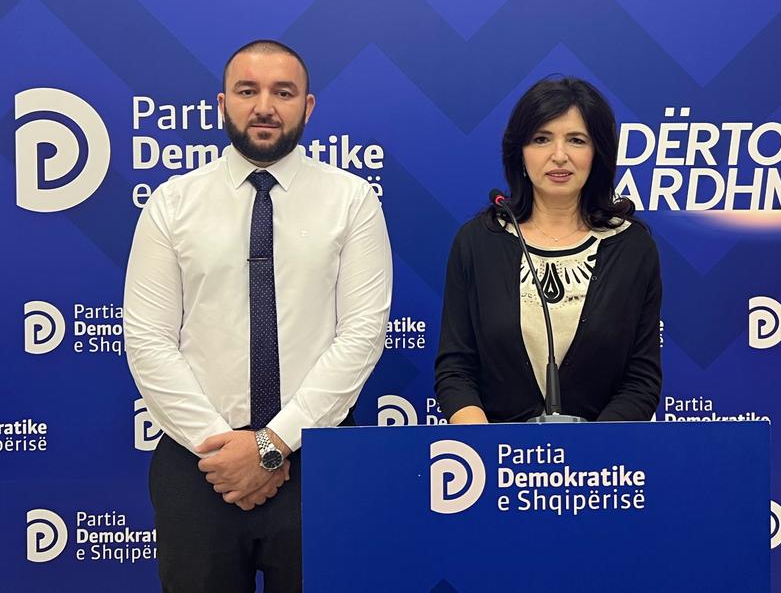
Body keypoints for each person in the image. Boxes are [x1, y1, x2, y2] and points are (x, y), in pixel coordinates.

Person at [124, 39, 392, 592]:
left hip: (316, 460)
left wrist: (272, 444)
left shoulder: (352, 200)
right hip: (200, 465)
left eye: (283, 93)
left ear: (308, 107)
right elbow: (148, 340)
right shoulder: (172, 203)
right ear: (222, 104)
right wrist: (226, 452)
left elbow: (362, 334)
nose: (264, 106)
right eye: (248, 91)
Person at [434, 76, 662, 423]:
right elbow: (455, 370)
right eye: (541, 139)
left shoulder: (631, 247)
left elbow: (641, 380)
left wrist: (592, 448)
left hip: (602, 453)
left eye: (576, 140)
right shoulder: (477, 242)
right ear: (520, 152)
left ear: (597, 152)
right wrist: (485, 443)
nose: (559, 156)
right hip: (497, 452)